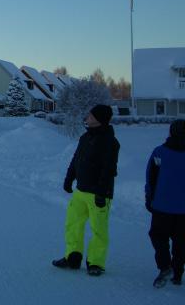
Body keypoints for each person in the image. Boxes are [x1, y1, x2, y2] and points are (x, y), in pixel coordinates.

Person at [52, 104, 120, 276]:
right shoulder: (85, 137)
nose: (87, 117)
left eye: (90, 115)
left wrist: (101, 193)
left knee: (99, 230)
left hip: (99, 194)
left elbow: (109, 169)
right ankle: (72, 257)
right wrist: (69, 179)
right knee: (73, 225)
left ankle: (95, 263)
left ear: (98, 119)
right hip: (80, 191)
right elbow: (76, 159)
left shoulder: (110, 142)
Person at [145, 119, 185, 288]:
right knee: (181, 241)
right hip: (183, 208)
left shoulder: (159, 153)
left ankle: (165, 266)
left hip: (161, 206)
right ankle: (177, 273)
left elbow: (151, 178)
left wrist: (149, 198)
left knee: (158, 236)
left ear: (171, 132)